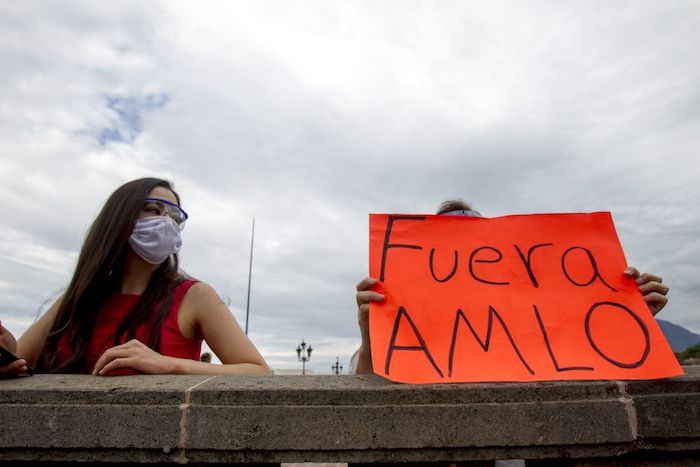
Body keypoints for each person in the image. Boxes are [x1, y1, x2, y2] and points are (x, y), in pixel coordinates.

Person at [351, 198, 670, 375]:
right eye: (450, 245)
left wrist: (633, 320)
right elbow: (363, 392)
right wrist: (371, 338)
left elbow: (592, 370)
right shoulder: (406, 335)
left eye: (475, 248)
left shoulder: (538, 330)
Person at [0, 177, 270, 377]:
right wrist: (8, 355)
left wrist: (168, 365)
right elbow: (18, 362)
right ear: (119, 218)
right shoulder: (74, 300)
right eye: (153, 210)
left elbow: (259, 372)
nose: (165, 222)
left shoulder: (195, 297)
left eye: (174, 218)